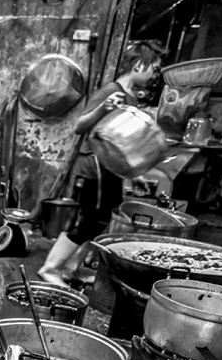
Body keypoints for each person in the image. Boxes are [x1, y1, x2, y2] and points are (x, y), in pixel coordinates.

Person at [38, 41, 166, 287]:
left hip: (110, 170)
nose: (154, 75)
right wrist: (103, 108)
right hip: (92, 167)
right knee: (86, 223)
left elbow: (125, 146)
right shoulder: (111, 91)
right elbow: (79, 126)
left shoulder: (132, 98)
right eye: (153, 68)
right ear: (139, 65)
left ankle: (71, 269)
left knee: (100, 222)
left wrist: (134, 174)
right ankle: (50, 268)